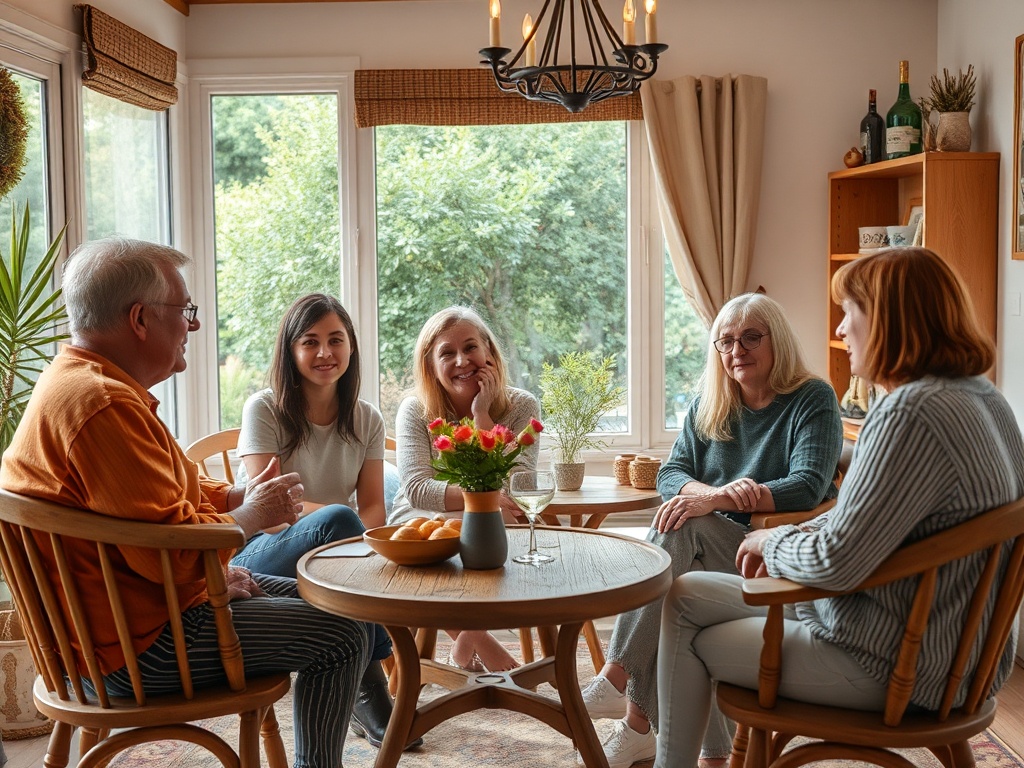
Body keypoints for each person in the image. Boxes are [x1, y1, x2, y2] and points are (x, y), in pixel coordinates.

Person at [0, 237, 370, 768]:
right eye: (185, 311)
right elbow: (167, 555)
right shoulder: (102, 404)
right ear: (139, 319)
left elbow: (171, 499)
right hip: (132, 651)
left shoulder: (84, 383)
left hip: (141, 616)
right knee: (345, 631)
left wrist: (241, 497)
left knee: (339, 597)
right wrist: (247, 521)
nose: (193, 326)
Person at [655, 248, 1024, 768]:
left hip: (899, 662)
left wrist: (771, 539)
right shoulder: (983, 398)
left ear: (889, 319)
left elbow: (835, 561)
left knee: (692, 627)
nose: (842, 328)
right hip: (958, 651)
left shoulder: (909, 413)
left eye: (851, 311)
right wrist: (773, 538)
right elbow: (863, 516)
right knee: (688, 593)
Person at [581, 292, 843, 768]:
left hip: (769, 556)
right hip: (712, 549)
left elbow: (807, 486)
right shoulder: (711, 401)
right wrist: (704, 493)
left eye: (750, 338)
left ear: (776, 341)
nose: (736, 350)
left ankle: (616, 679)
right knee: (677, 576)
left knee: (685, 527)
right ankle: (670, 739)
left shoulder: (812, 398)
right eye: (725, 342)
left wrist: (716, 500)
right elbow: (670, 475)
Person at [232, 293, 418, 751]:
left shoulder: (366, 418)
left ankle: (363, 684)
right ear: (291, 351)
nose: (324, 353)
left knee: (354, 527)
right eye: (310, 342)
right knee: (341, 518)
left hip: (338, 554)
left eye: (336, 340)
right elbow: (268, 508)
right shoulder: (264, 408)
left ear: (351, 348)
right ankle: (369, 687)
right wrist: (343, 522)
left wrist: (347, 530)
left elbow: (375, 508)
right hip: (261, 554)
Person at [390, 306, 540, 673]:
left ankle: (466, 647)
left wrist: (482, 417)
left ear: (489, 351)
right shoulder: (416, 410)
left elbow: (518, 485)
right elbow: (417, 489)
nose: (462, 361)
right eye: (446, 353)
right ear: (430, 364)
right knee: (488, 518)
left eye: (470, 347)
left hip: (491, 515)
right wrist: (482, 497)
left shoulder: (522, 406)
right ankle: (494, 655)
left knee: (501, 518)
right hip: (420, 518)